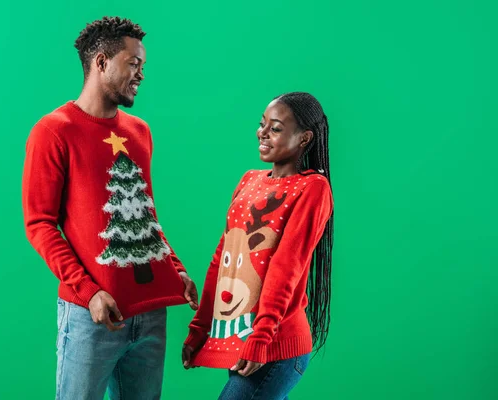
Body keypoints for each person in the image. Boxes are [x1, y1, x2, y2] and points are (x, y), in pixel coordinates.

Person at [22, 16, 198, 400]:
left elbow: (144, 216)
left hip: (151, 314)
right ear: (101, 62)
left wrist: (175, 269)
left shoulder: (140, 132)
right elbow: (40, 224)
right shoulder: (53, 131)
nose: (141, 75)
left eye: (143, 66)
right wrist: (89, 293)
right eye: (134, 64)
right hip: (90, 316)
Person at [182, 92, 334, 399]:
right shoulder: (249, 180)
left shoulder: (312, 188)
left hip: (275, 346)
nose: (262, 133)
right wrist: (200, 329)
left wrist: (261, 337)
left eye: (275, 128)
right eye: (262, 124)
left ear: (304, 138)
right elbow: (221, 260)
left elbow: (286, 267)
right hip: (243, 341)